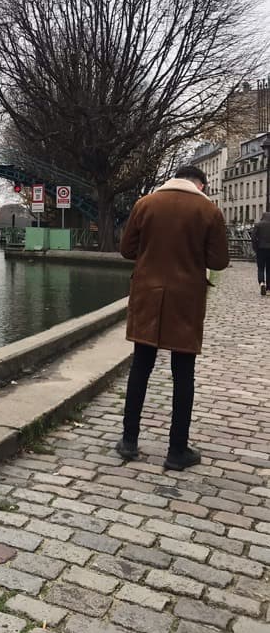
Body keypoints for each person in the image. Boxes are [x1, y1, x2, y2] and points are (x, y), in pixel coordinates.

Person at [116, 165, 229, 471]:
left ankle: (129, 441)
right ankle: (177, 450)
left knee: (141, 365)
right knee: (183, 373)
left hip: (147, 294)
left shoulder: (145, 204)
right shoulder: (208, 211)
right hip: (186, 298)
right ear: (200, 185)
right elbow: (219, 260)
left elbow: (127, 249)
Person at [251, 211, 270, 295]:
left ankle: (262, 283)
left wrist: (255, 248)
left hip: (261, 248)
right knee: (269, 269)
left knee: (261, 267)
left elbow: (253, 237)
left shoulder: (258, 225)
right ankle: (269, 287)